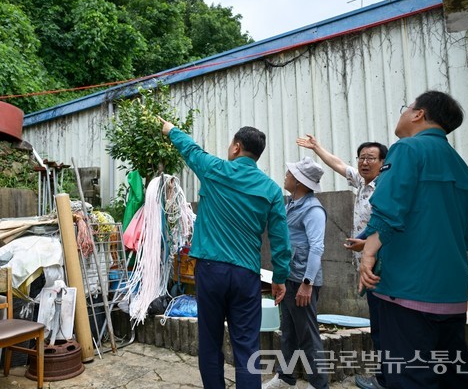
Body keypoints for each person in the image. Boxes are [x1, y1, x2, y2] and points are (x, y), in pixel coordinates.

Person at [156, 116, 292, 389]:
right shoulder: (271, 189)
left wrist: (170, 129)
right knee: (247, 348)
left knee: (210, 342)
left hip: (211, 271)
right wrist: (280, 277)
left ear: (237, 147)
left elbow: (191, 149)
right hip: (246, 275)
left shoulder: (214, 169)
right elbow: (280, 239)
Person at [359, 91, 468, 389]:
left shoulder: (408, 149)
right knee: (452, 376)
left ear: (418, 114)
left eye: (406, 108)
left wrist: (369, 252)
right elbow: (460, 233)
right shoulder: (463, 168)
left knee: (410, 376)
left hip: (407, 291)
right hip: (451, 294)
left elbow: (389, 208)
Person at [296, 135, 388, 389]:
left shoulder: (386, 188)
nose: (364, 163)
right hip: (366, 265)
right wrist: (317, 147)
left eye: (371, 158)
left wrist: (367, 244)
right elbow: (338, 164)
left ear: (384, 162)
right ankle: (386, 377)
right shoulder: (362, 182)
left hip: (383, 266)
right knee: (379, 324)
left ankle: (389, 379)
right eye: (361, 158)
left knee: (387, 325)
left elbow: (389, 224)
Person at [263, 156, 328, 389]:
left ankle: (319, 384)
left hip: (303, 281)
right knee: (289, 331)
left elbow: (317, 247)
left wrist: (307, 283)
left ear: (300, 182)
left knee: (308, 336)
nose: (286, 175)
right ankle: (285, 378)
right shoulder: (291, 204)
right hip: (289, 278)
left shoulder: (313, 210)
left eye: (290, 173)